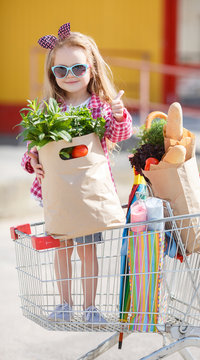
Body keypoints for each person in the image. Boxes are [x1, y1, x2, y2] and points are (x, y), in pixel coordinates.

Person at [21, 23, 132, 323]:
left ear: (92, 70)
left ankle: (90, 307)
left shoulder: (100, 106)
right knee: (61, 248)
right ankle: (65, 304)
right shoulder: (47, 109)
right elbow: (32, 151)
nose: (70, 76)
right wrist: (32, 161)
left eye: (78, 68)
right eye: (61, 70)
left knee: (87, 250)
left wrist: (120, 113)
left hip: (88, 191)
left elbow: (118, 134)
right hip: (57, 191)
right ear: (52, 74)